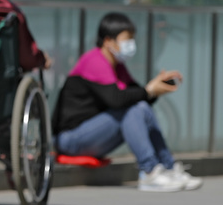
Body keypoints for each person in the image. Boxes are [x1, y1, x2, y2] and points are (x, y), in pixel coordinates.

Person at [52, 12, 202, 192]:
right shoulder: (94, 60)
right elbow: (116, 100)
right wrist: (148, 91)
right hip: (70, 139)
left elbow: (137, 96)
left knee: (140, 107)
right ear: (108, 41)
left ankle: (168, 167)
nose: (131, 45)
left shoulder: (117, 65)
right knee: (132, 108)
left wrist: (156, 89)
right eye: (127, 39)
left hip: (93, 135)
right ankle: (148, 171)